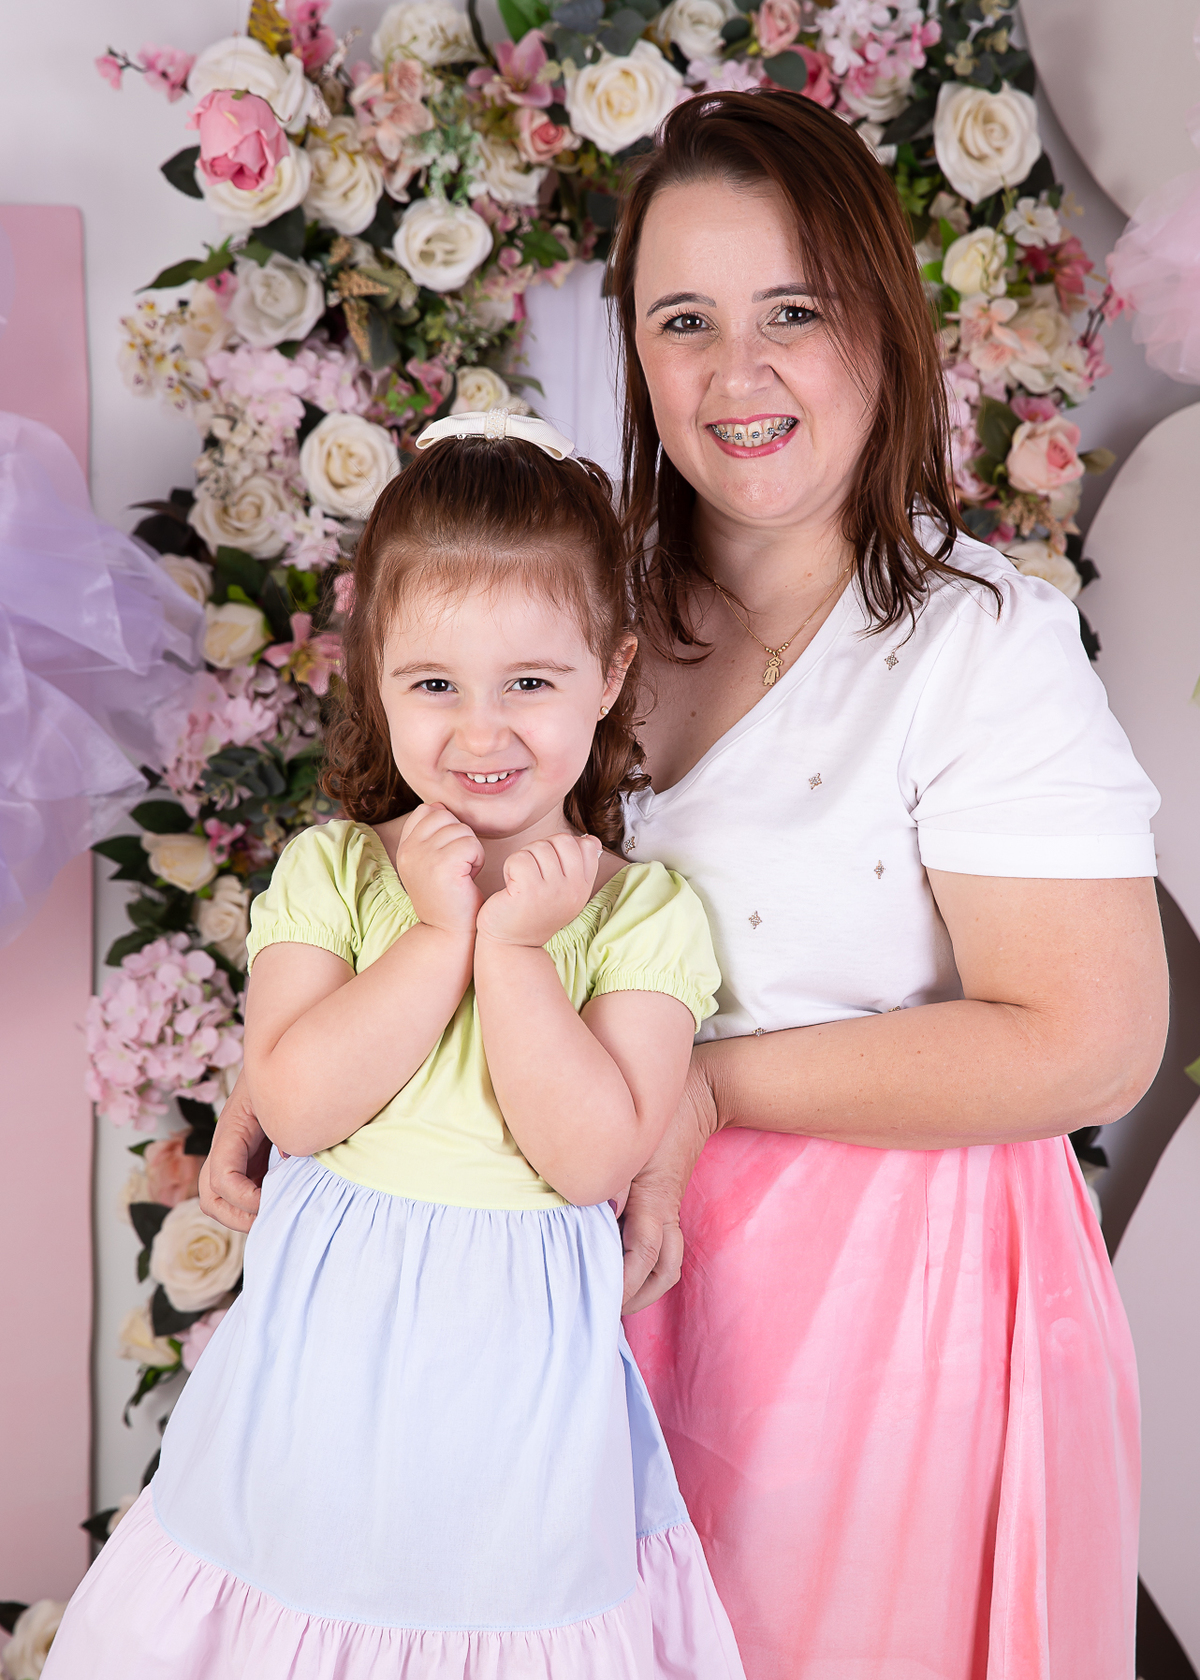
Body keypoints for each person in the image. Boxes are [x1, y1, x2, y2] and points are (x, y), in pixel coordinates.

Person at [202, 92, 1169, 1680]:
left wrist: (702, 1093)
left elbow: (1092, 1042)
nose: (738, 372)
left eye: (794, 311)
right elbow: (437, 868)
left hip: (884, 1318)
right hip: (561, 1285)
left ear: (884, 325)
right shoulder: (588, 606)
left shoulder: (981, 642)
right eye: (685, 320)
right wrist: (306, 1054)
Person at [45, 418, 745, 1680]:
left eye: (529, 682)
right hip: (319, 1395)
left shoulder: (638, 912)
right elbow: (298, 1105)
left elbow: (592, 1158)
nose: (481, 733)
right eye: (435, 685)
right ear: (376, 676)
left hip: (512, 1421)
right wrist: (437, 937)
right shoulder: (336, 872)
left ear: (610, 672)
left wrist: (515, 955)